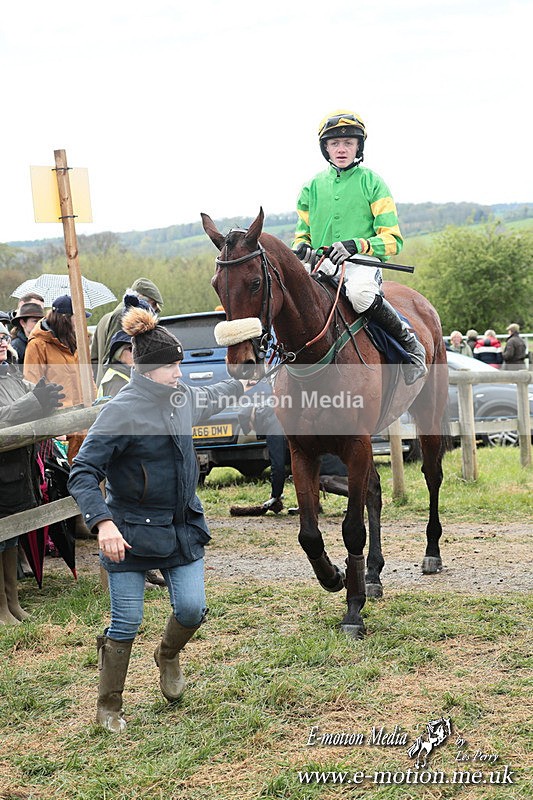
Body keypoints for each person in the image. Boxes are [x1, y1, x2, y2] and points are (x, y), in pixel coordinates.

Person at [67, 305, 246, 732]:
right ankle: (109, 706)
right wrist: (103, 523)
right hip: (129, 533)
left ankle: (167, 654)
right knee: (126, 621)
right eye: (172, 367)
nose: (180, 374)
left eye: (180, 365)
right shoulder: (120, 411)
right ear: (147, 370)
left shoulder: (180, 398)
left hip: (182, 526)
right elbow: (82, 472)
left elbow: (211, 397)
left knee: (192, 609)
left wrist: (245, 381)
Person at [292, 109, 426, 385]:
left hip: (361, 264)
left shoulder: (373, 182)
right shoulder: (310, 188)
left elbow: (393, 240)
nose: (341, 149)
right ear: (326, 148)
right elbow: (301, 234)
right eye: (335, 143)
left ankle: (409, 344)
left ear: (358, 147)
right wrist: (302, 247)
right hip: (322, 265)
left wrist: (358, 244)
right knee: (290, 296)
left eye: (348, 143)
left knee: (361, 295)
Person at [0, 321, 64, 624]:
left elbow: (24, 410)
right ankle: (1, 607)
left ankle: (12, 602)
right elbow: (5, 416)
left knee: (12, 535)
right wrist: (32, 401)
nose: (2, 342)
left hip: (16, 470)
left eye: (3, 336)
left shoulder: (10, 375)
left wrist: (43, 401)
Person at [23, 294, 97, 464]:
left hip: (85, 422)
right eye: (77, 317)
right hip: (60, 427)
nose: (81, 322)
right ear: (65, 319)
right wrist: (52, 426)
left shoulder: (79, 340)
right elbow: (32, 388)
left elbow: (89, 378)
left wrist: (94, 407)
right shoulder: (38, 345)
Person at [230, 378, 288, 516]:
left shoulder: (271, 422)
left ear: (253, 418)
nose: (255, 430)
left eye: (252, 427)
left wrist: (275, 495)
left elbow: (278, 466)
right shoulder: (271, 408)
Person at [91, 279, 163, 385]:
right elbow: (117, 357)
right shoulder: (124, 317)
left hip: (109, 385)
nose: (152, 314)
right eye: (153, 308)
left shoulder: (105, 318)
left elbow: (94, 359)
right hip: (120, 385)